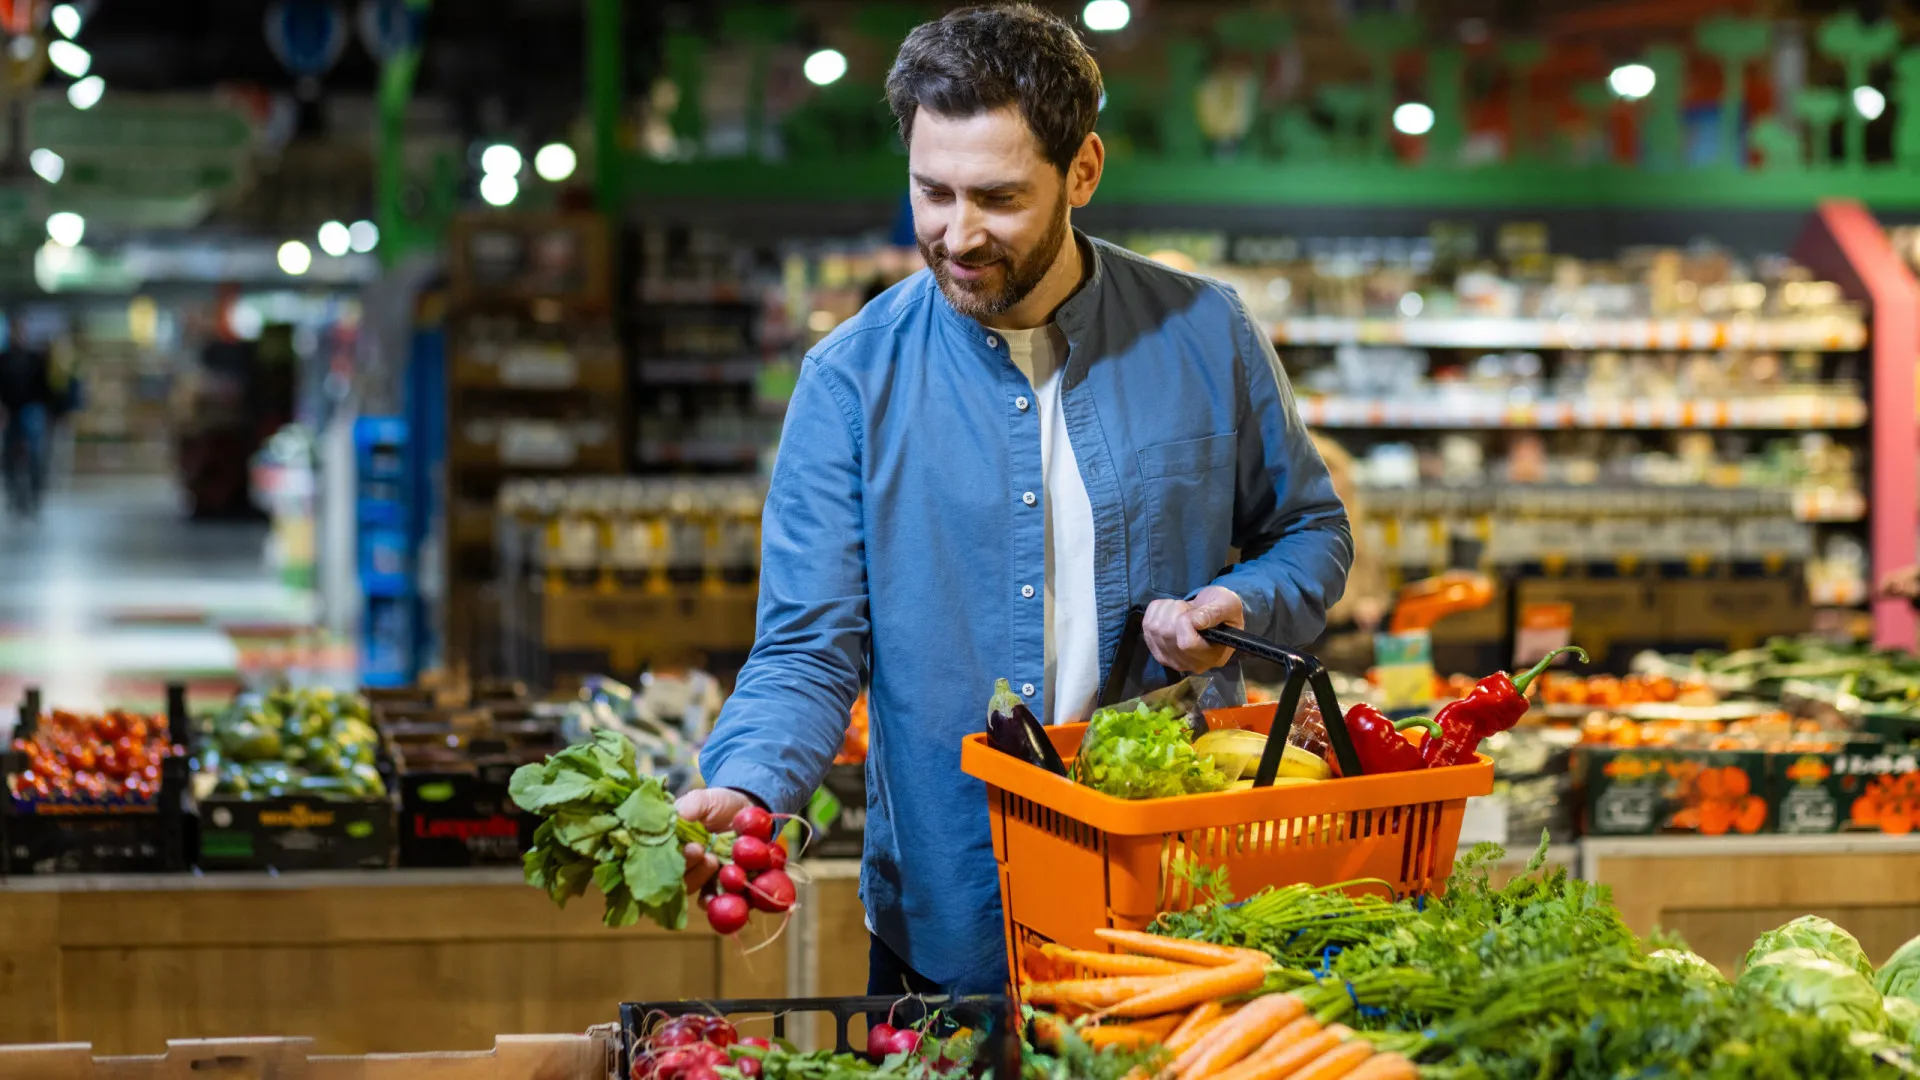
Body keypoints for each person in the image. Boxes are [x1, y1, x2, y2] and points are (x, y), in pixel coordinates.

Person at [678, 3, 1352, 997]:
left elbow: (1310, 531)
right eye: (932, 192)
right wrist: (747, 784)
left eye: (997, 197)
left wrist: (1239, 608)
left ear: (1083, 172)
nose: (958, 234)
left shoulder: (1207, 334)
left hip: (1180, 909)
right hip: (950, 924)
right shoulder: (850, 383)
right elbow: (806, 646)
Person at [0, 321, 54, 518]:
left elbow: (44, 386)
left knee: (34, 454)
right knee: (8, 455)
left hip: (31, 409)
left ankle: (34, 494)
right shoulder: (4, 358)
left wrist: (47, 410)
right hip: (10, 410)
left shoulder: (33, 358)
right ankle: (13, 494)